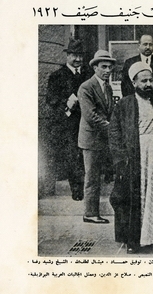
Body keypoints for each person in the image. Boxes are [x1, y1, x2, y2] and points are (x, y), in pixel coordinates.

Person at [109, 62, 153, 254]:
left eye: (150, 80)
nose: (148, 84)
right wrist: (121, 159)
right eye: (143, 80)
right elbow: (114, 133)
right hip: (135, 159)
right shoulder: (124, 104)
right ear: (133, 82)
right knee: (136, 199)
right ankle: (134, 241)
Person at [45, 39, 91, 200]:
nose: (78, 59)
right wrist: (67, 103)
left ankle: (89, 189)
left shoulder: (89, 74)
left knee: (87, 155)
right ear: (67, 56)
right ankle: (77, 191)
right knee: (73, 156)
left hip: (87, 121)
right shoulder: (57, 76)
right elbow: (50, 100)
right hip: (68, 123)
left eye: (80, 56)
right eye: (74, 55)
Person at [78, 50, 116, 224]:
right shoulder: (86, 87)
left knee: (101, 175)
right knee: (92, 177)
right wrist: (113, 128)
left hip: (103, 138)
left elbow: (109, 111)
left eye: (110, 67)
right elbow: (91, 115)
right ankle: (90, 213)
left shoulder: (107, 86)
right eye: (104, 67)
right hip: (91, 139)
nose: (108, 70)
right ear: (95, 68)